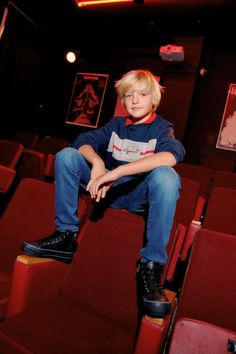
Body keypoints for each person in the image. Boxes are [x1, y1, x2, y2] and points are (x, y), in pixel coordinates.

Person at [21, 69, 185, 317]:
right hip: (108, 190)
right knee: (67, 156)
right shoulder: (117, 125)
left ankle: (151, 265)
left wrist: (116, 173)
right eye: (129, 95)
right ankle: (65, 234)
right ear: (122, 100)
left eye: (142, 94)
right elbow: (82, 140)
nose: (135, 100)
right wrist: (98, 163)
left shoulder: (162, 128)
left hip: (138, 194)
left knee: (166, 176)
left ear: (154, 99)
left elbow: (171, 156)